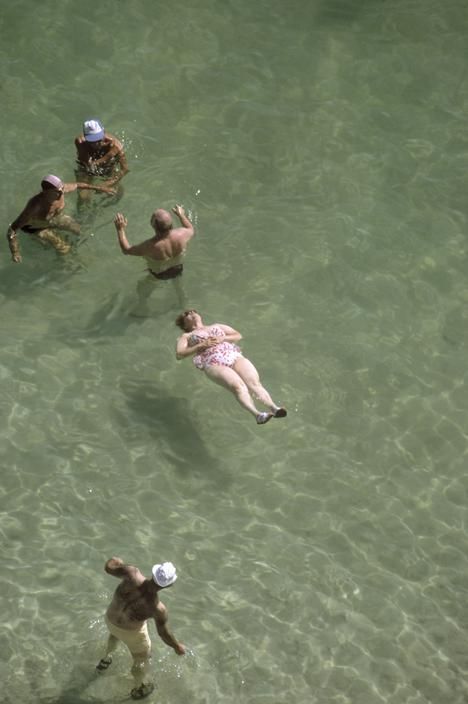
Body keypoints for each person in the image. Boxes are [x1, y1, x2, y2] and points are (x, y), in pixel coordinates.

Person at [175, 310, 287, 425]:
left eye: (194, 312)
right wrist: (201, 345)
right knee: (238, 386)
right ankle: (258, 415)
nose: (192, 313)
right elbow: (180, 354)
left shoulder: (217, 326)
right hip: (212, 362)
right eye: (187, 314)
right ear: (184, 324)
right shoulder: (187, 336)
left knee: (254, 383)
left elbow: (237, 335)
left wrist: (221, 339)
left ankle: (274, 408)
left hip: (233, 356)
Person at [96, 557, 185, 700]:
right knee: (141, 659)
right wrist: (177, 646)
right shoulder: (158, 609)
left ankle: (106, 659)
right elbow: (163, 634)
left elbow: (108, 568)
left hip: (111, 620)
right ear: (167, 586)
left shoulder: (131, 573)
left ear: (154, 572)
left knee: (114, 635)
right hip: (131, 633)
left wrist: (114, 560)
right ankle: (139, 687)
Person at [6, 174, 115, 262]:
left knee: (81, 230)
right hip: (37, 227)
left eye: (62, 188)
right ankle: (69, 263)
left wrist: (100, 188)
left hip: (56, 218)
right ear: (46, 192)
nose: (62, 191)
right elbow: (12, 230)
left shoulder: (61, 190)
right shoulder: (34, 207)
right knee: (63, 248)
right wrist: (15, 251)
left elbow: (78, 185)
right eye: (59, 190)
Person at [114, 205, 194, 309]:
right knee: (178, 285)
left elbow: (126, 250)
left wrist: (120, 230)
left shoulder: (150, 246)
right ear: (171, 224)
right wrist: (181, 215)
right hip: (178, 268)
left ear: (153, 225)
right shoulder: (182, 234)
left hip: (159, 274)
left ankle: (142, 306)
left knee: (142, 288)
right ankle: (183, 301)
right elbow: (190, 228)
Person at [75, 119, 129, 208]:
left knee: (116, 194)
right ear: (85, 137)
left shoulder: (115, 146)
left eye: (98, 139)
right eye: (92, 141)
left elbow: (125, 169)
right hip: (86, 169)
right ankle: (81, 216)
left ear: (104, 132)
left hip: (108, 169)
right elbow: (86, 163)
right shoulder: (80, 142)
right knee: (83, 197)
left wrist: (107, 183)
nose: (96, 143)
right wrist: (108, 156)